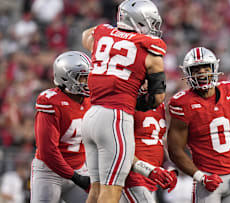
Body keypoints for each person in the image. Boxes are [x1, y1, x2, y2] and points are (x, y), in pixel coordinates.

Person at [81, 0, 168, 202]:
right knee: (111, 190)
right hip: (115, 118)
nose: (154, 28)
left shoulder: (102, 33)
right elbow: (157, 97)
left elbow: (87, 35)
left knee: (95, 189)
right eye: (151, 22)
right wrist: (137, 100)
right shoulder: (151, 51)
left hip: (91, 115)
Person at [167, 47, 230, 203]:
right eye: (196, 69)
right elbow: (175, 150)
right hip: (207, 181)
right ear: (188, 73)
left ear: (214, 68)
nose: (201, 73)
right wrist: (200, 177)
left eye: (205, 68)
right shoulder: (182, 103)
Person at [31, 51, 92, 203]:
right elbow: (47, 151)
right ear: (67, 78)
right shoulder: (51, 102)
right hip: (50, 172)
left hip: (80, 169)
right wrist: (75, 177)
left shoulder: (91, 100)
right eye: (83, 77)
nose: (88, 82)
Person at [120, 101, 177, 203]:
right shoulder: (127, 103)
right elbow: (121, 148)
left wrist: (168, 168)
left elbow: (157, 141)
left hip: (151, 177)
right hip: (133, 176)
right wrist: (149, 170)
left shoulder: (161, 105)